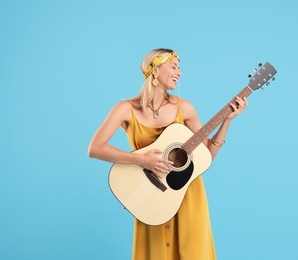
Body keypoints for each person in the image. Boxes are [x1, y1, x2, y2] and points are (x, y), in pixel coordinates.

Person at [88, 48, 248, 260]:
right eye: (174, 67)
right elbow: (95, 148)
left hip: (187, 196)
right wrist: (141, 159)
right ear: (155, 70)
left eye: (179, 68)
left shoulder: (185, 108)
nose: (179, 73)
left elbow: (207, 156)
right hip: (150, 197)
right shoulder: (125, 109)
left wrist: (227, 120)